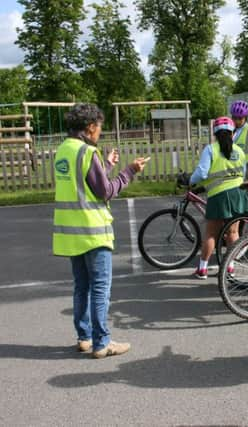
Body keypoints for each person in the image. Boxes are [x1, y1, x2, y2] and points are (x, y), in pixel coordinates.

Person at [53, 103, 148, 358]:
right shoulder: (86, 151)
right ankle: (102, 342)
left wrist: (105, 165)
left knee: (81, 287)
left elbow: (85, 184)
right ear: (90, 127)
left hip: (71, 234)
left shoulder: (64, 150)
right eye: (99, 128)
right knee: (100, 288)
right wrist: (129, 171)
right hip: (93, 231)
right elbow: (105, 191)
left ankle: (84, 337)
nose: (100, 133)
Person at [190, 117, 248, 279]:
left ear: (215, 133)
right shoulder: (239, 151)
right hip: (238, 193)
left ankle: (202, 268)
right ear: (232, 132)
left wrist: (189, 180)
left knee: (210, 234)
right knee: (233, 232)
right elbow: (242, 174)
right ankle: (230, 266)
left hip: (218, 195)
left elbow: (202, 172)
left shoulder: (211, 149)